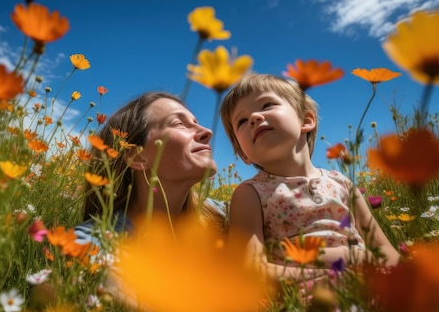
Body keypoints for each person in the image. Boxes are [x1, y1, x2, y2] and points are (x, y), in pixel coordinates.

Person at [219, 73, 400, 279]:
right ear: (243, 154)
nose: (254, 118)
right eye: (241, 121)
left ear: (306, 120)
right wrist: (338, 263)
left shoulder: (343, 184)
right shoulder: (250, 193)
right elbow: (251, 268)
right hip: (309, 292)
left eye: (267, 105)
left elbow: (387, 252)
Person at [74, 91, 225, 249]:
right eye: (179, 123)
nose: (207, 132)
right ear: (137, 156)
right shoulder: (90, 246)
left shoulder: (228, 213)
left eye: (196, 122)